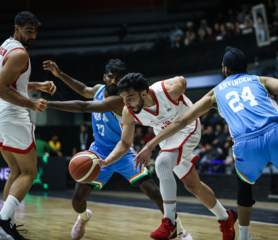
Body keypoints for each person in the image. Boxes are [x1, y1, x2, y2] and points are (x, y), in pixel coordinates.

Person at [134, 46, 278, 240]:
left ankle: (244, 236)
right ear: (245, 68)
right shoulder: (259, 79)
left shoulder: (215, 92)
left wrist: (150, 145)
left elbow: (181, 121)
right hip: (275, 134)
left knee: (245, 186)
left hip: (245, 144)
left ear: (225, 69)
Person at [43, 59, 193, 240]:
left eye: (119, 78)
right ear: (104, 76)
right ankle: (83, 217)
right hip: (98, 152)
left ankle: (180, 230)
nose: (114, 82)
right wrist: (60, 75)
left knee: (154, 192)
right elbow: (83, 89)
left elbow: (83, 106)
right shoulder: (98, 90)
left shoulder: (119, 102)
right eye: (111, 77)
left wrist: (49, 104)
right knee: (77, 200)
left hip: (122, 153)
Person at [99, 72, 237, 240]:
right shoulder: (129, 111)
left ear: (144, 92)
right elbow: (124, 143)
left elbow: (182, 80)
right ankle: (226, 218)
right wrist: (106, 161)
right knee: (193, 186)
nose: (126, 103)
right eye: (123, 99)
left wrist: (150, 145)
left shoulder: (168, 91)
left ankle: (169, 223)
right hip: (166, 139)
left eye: (130, 98)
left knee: (162, 164)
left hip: (188, 128)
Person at [0, 11, 56, 240]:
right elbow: (1, 89)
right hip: (11, 113)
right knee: (29, 171)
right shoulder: (21, 54)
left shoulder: (5, 46)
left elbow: (11, 82)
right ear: (17, 28)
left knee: (15, 171)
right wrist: (32, 103)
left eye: (35, 31)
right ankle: (3, 220)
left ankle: (6, 230)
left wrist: (38, 85)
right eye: (28, 30)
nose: (32, 35)